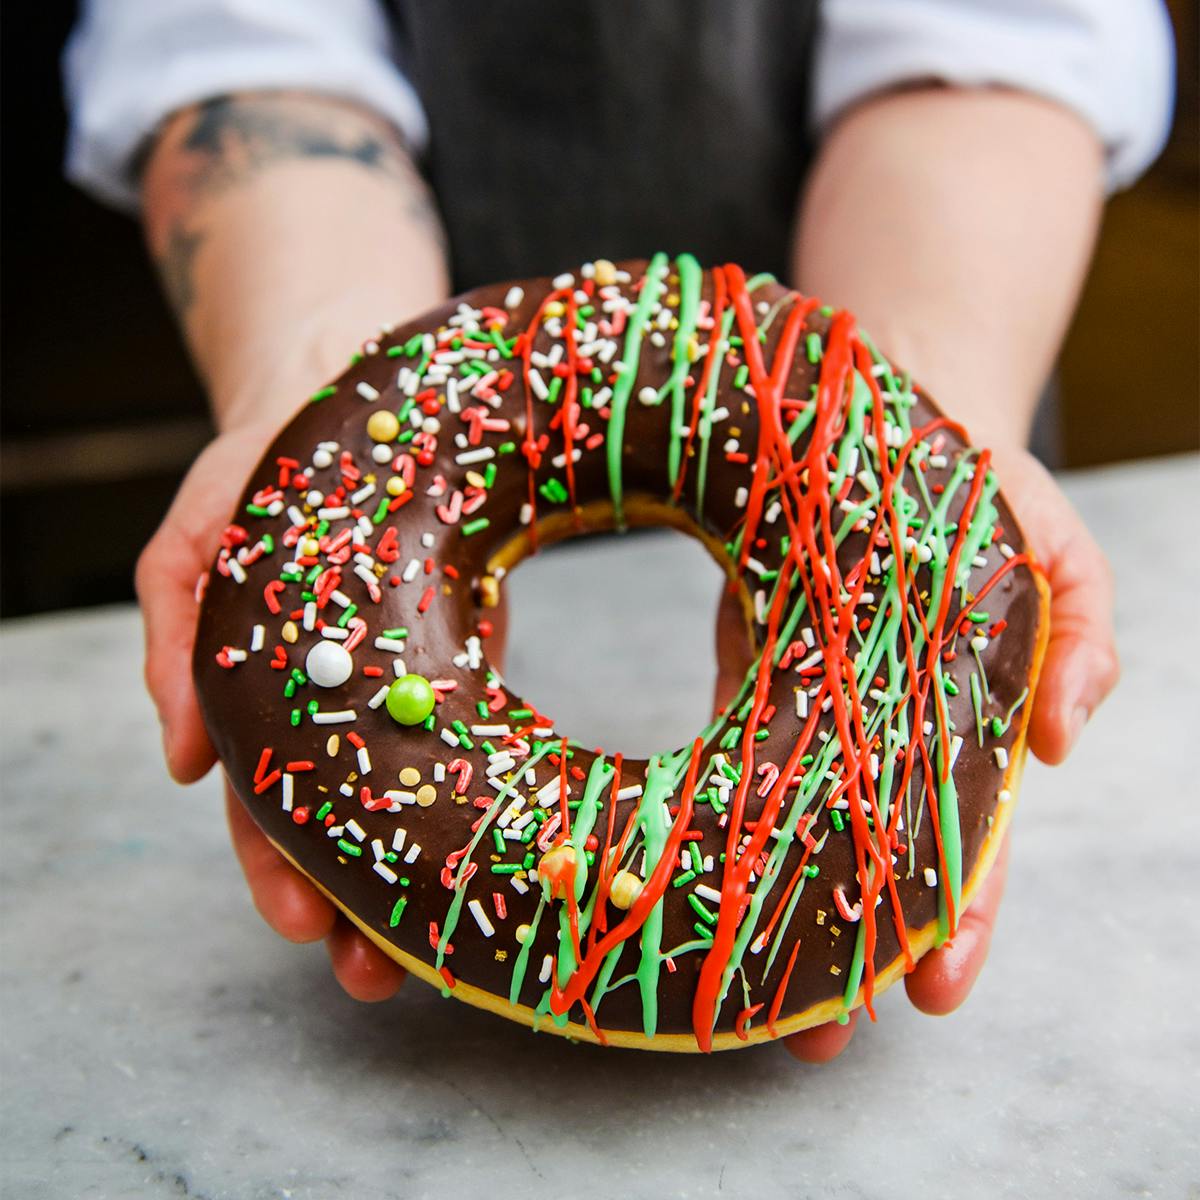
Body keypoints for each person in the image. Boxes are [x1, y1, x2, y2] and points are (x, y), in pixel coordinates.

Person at [65, 0, 1172, 1062]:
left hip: (852, 361)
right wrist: (309, 385)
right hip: (425, 379)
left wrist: (923, 394)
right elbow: (248, 44)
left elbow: (982, 42)